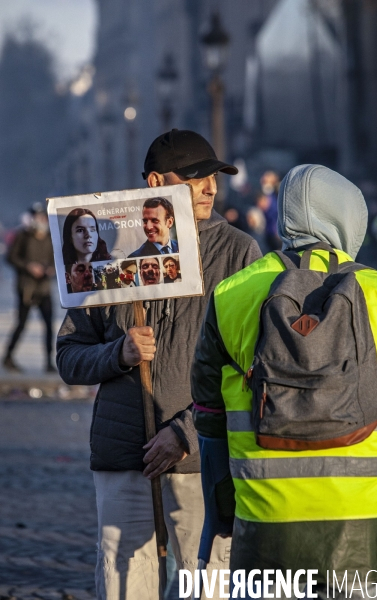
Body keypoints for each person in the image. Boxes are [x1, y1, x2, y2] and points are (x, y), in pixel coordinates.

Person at [192, 164, 377, 599]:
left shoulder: (231, 295)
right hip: (364, 532)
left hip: (265, 531)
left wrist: (224, 513)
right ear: (348, 217)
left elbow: (209, 415)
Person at [56, 128, 262, 600]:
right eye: (195, 177)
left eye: (214, 177)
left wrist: (187, 432)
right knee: (124, 578)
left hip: (200, 455)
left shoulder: (237, 253)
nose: (211, 187)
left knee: (203, 576)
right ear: (155, 183)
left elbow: (249, 365)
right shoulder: (109, 252)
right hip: (122, 452)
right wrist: (119, 353)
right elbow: (68, 357)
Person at [3, 203, 55, 373]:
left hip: (44, 288)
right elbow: (10, 257)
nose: (41, 220)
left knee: (48, 325)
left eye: (43, 217)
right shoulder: (22, 235)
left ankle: (48, 362)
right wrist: (29, 266)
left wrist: (50, 269)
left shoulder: (50, 237)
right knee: (22, 324)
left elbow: (56, 259)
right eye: (38, 217)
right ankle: (8, 357)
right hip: (26, 287)